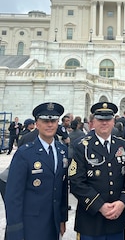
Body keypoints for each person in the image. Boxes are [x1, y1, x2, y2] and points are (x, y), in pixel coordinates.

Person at [69, 102, 125, 240]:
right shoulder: (81, 146)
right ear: (93, 122)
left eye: (108, 119)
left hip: (116, 219)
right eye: (100, 119)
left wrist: (123, 202)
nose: (104, 123)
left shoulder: (122, 145)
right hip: (91, 219)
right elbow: (76, 182)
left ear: (113, 121)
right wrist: (99, 206)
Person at [5, 102, 69, 240]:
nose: (50, 125)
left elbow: (62, 188)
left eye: (53, 121)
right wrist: (15, 231)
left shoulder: (62, 150)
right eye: (45, 121)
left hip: (53, 222)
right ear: (37, 124)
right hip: (31, 224)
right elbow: (13, 196)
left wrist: (62, 218)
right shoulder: (25, 153)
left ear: (58, 123)